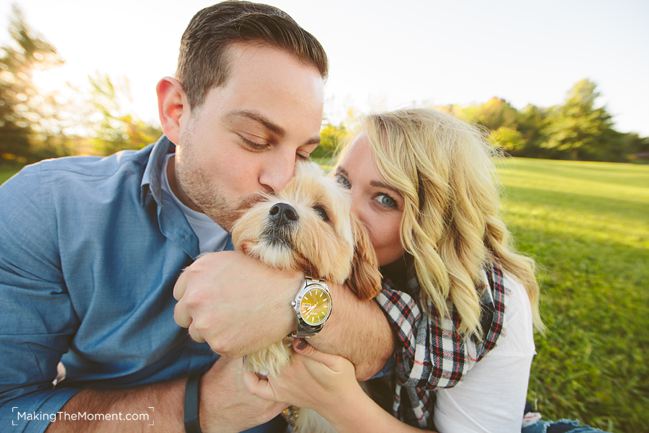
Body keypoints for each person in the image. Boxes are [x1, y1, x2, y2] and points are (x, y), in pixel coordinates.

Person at [0, 2, 393, 433]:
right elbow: (11, 410)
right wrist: (202, 408)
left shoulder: (300, 221)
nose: (282, 179)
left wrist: (297, 302)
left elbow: (383, 347)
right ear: (176, 110)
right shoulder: (48, 206)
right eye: (255, 139)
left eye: (302, 153)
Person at [244, 108, 544, 432]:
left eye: (384, 199)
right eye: (342, 180)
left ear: (433, 225)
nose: (345, 206)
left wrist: (336, 400)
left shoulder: (493, 300)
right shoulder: (327, 253)